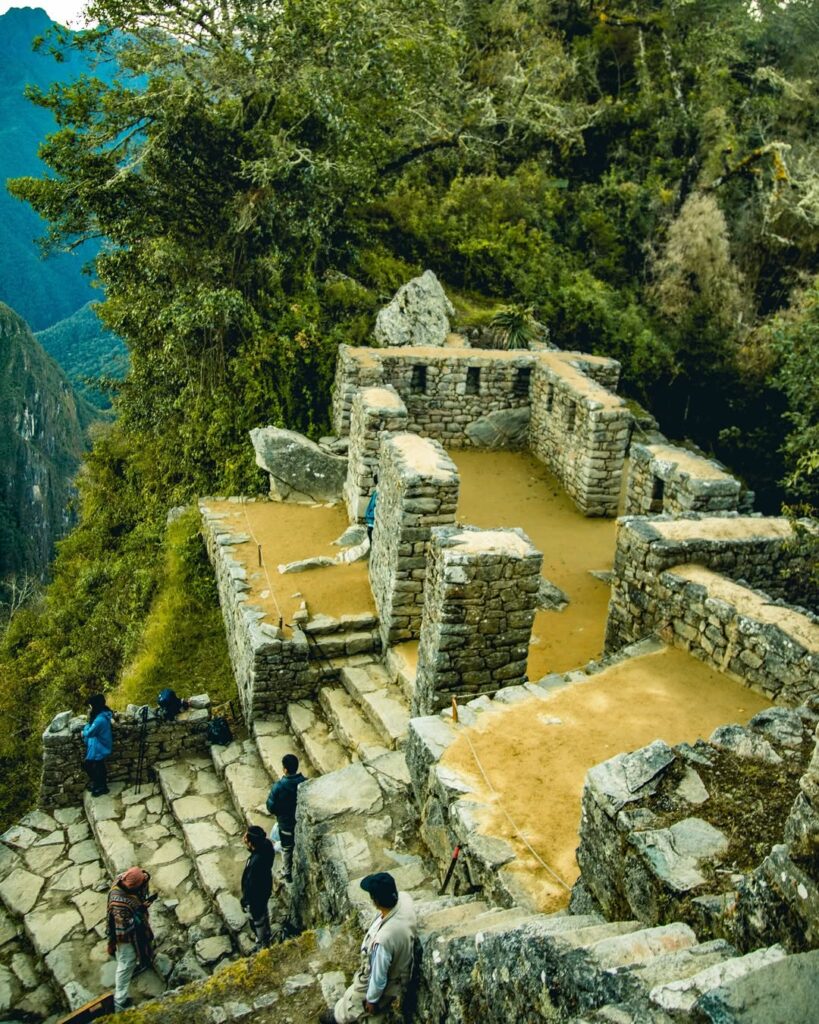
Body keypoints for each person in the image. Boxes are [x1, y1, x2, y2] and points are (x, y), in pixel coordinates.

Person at [319, 872, 417, 1024]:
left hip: (381, 983)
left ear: (376, 901)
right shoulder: (405, 899)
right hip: (399, 975)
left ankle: (337, 1018)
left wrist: (371, 1000)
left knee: (352, 1002)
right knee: (377, 1013)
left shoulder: (384, 940)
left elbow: (378, 977)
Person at [106, 866, 155, 1013]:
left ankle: (144, 960)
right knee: (126, 962)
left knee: (141, 946)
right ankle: (119, 1000)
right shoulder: (119, 902)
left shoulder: (122, 879)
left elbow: (144, 878)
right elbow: (125, 926)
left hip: (132, 927)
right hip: (124, 936)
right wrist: (140, 910)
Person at [265, 754, 307, 883]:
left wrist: (280, 812)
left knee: (286, 847)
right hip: (301, 821)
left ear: (285, 769)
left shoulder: (278, 787)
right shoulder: (305, 782)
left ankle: (287, 872)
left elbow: (270, 807)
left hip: (286, 824)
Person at [240, 825, 274, 951]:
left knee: (257, 918)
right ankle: (267, 933)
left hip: (256, 896)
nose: (244, 838)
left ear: (251, 843)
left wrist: (245, 900)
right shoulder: (267, 846)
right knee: (264, 911)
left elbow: (251, 885)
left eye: (246, 838)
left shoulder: (255, 864)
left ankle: (262, 943)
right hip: (265, 888)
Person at [83, 693, 113, 796]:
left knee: (89, 765)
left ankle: (101, 787)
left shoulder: (99, 719)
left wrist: (84, 730)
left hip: (100, 747)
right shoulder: (103, 713)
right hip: (101, 744)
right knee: (99, 766)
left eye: (91, 706)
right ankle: (99, 785)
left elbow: (89, 732)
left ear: (95, 705)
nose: (90, 708)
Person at [364, 475, 378, 544]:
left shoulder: (376, 494)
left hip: (371, 522)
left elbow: (372, 507)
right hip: (371, 521)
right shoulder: (376, 494)